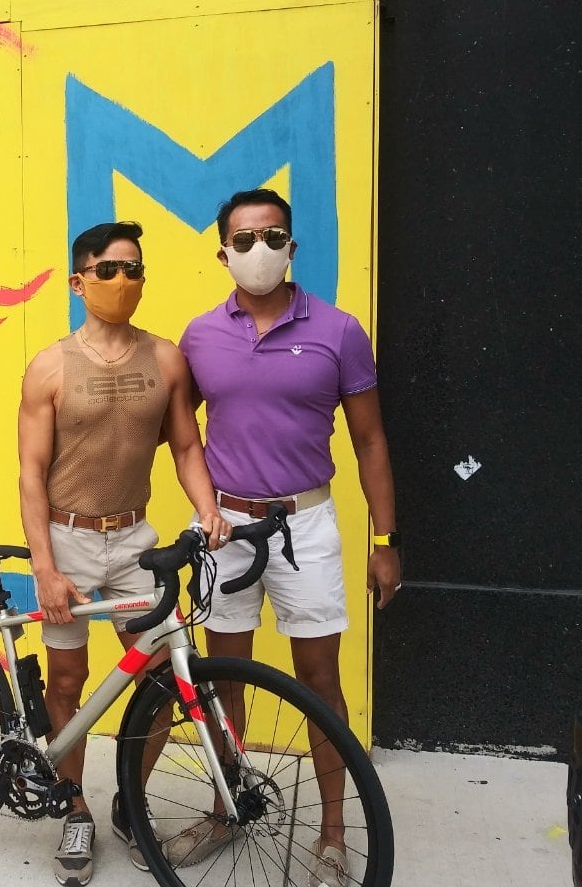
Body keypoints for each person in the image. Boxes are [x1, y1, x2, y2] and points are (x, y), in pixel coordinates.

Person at [176, 188, 401, 885]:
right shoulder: (199, 336)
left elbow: (369, 440)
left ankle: (332, 832)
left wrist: (386, 538)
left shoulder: (338, 331)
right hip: (226, 526)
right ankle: (224, 806)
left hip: (305, 523)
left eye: (271, 236)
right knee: (225, 676)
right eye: (242, 240)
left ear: (293, 245)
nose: (258, 250)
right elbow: (184, 438)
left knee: (320, 680)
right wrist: (203, 510)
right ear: (222, 253)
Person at [18, 220, 229, 887]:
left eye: (133, 269)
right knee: (67, 684)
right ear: (79, 282)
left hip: (135, 540)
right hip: (68, 539)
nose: (123, 281)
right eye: (108, 270)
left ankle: (129, 805)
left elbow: (187, 449)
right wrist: (45, 567)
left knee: (160, 684)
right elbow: (30, 473)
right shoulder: (49, 366)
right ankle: (74, 805)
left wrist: (208, 509)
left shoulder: (165, 360)